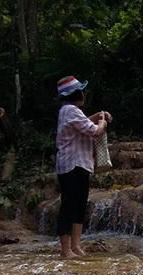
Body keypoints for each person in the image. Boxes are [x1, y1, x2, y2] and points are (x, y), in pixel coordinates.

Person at [54, 75, 113, 259]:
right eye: (82, 91)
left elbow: (83, 123)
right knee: (69, 206)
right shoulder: (70, 110)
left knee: (79, 205)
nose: (84, 94)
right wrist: (102, 122)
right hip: (73, 164)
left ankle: (75, 246)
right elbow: (94, 131)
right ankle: (66, 249)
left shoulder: (69, 111)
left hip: (79, 163)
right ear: (75, 94)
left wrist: (96, 117)